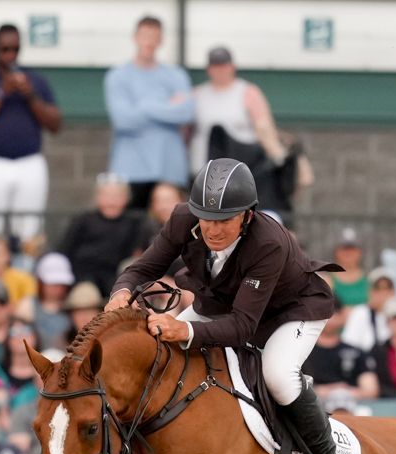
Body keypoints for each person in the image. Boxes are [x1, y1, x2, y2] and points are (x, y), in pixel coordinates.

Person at [108, 158, 363, 454]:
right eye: (205, 218)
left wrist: (187, 332)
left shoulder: (269, 242)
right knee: (162, 354)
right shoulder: (183, 219)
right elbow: (142, 268)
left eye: (224, 219)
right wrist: (121, 292)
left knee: (277, 375)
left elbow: (244, 327)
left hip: (291, 312)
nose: (212, 229)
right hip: (224, 306)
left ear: (247, 215)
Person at [0, 23, 60, 243]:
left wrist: (31, 96)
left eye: (14, 49)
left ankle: (26, 271)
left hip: (29, 162)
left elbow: (55, 124)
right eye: (5, 49)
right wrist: (1, 92)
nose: (10, 55)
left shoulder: (35, 80)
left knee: (30, 228)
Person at [104, 15, 193, 208]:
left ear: (161, 40)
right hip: (131, 169)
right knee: (133, 230)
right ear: (135, 37)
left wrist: (143, 106)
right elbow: (123, 120)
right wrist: (164, 105)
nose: (149, 42)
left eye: (154, 36)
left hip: (169, 168)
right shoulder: (118, 76)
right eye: (145, 35)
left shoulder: (176, 75)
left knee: (170, 231)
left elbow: (185, 113)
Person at [190, 46, 293, 212]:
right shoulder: (197, 94)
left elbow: (264, 127)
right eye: (216, 66)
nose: (220, 70)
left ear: (232, 66)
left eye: (224, 65)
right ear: (209, 69)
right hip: (203, 171)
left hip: (242, 171)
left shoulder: (247, 92)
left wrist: (278, 158)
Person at [58, 174, 148, 296]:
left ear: (126, 198)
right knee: (85, 296)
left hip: (117, 277)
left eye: (117, 196)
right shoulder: (83, 220)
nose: (111, 200)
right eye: (106, 195)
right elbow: (65, 250)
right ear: (97, 197)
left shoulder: (134, 224)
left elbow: (136, 253)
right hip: (84, 277)